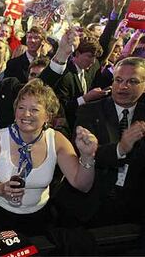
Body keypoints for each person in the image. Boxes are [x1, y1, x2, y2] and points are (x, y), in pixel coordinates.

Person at [0, 79, 98, 237]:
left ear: (48, 116)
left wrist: (87, 156)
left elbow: (82, 184)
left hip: (38, 220)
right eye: (21, 108)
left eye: (34, 109)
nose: (26, 114)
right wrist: (0, 188)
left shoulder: (57, 141)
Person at [54, 57, 145, 241]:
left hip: (133, 211)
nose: (123, 86)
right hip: (90, 209)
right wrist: (121, 148)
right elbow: (84, 154)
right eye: (118, 80)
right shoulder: (89, 112)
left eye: (132, 81)